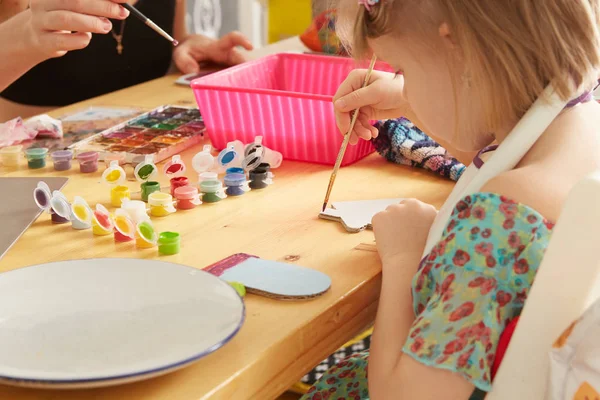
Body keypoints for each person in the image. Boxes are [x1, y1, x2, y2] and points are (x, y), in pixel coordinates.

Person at [302, 0, 600, 399]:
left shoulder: (498, 220)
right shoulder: (577, 127)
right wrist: (408, 101)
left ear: (458, 51)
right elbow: (496, 151)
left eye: (402, 69)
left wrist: (403, 257)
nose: (401, 82)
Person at [0, 0, 252, 121]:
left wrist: (189, 47)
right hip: (35, 173)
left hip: (139, 161)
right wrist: (25, 34)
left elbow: (174, 39)